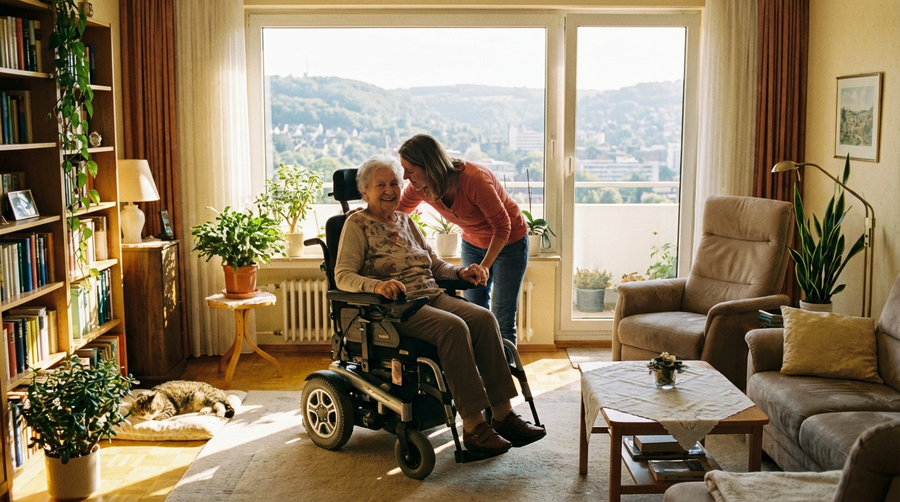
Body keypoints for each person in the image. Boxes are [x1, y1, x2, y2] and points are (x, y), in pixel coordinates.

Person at [334, 155, 545, 456]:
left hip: (431, 295)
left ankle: (502, 416)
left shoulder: (405, 221)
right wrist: (378, 286)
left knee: (485, 319)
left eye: (394, 182)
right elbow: (342, 275)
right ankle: (473, 426)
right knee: (454, 328)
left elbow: (432, 263)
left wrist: (460, 273)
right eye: (379, 184)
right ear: (364, 191)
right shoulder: (356, 224)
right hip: (394, 310)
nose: (390, 189)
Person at [397, 134, 529, 357]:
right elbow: (397, 214)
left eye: (409, 170)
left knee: (502, 316)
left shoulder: (473, 180)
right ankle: (481, 371)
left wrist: (485, 266)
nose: (405, 176)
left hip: (509, 243)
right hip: (473, 242)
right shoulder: (420, 187)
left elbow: (502, 226)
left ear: (429, 165)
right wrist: (364, 214)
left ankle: (503, 378)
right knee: (474, 312)